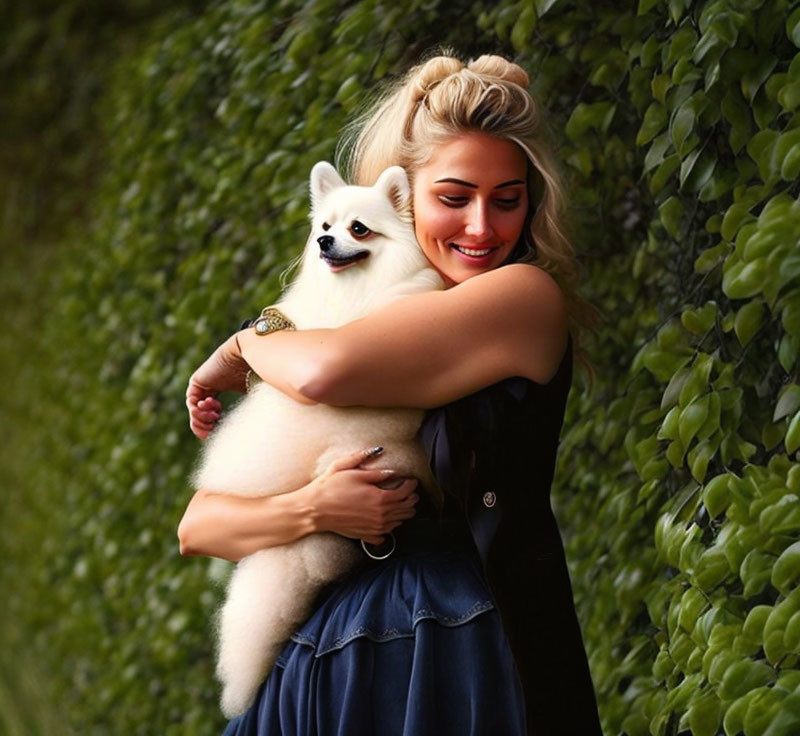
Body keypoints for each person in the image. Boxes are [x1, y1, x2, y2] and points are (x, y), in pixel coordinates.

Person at [181, 52, 603, 735]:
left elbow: (324, 373)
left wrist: (247, 341)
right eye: (454, 196)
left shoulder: (522, 296)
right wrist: (312, 507)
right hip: (324, 651)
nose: (481, 228)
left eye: (507, 199)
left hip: (444, 643)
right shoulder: (348, 317)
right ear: (404, 197)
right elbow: (199, 525)